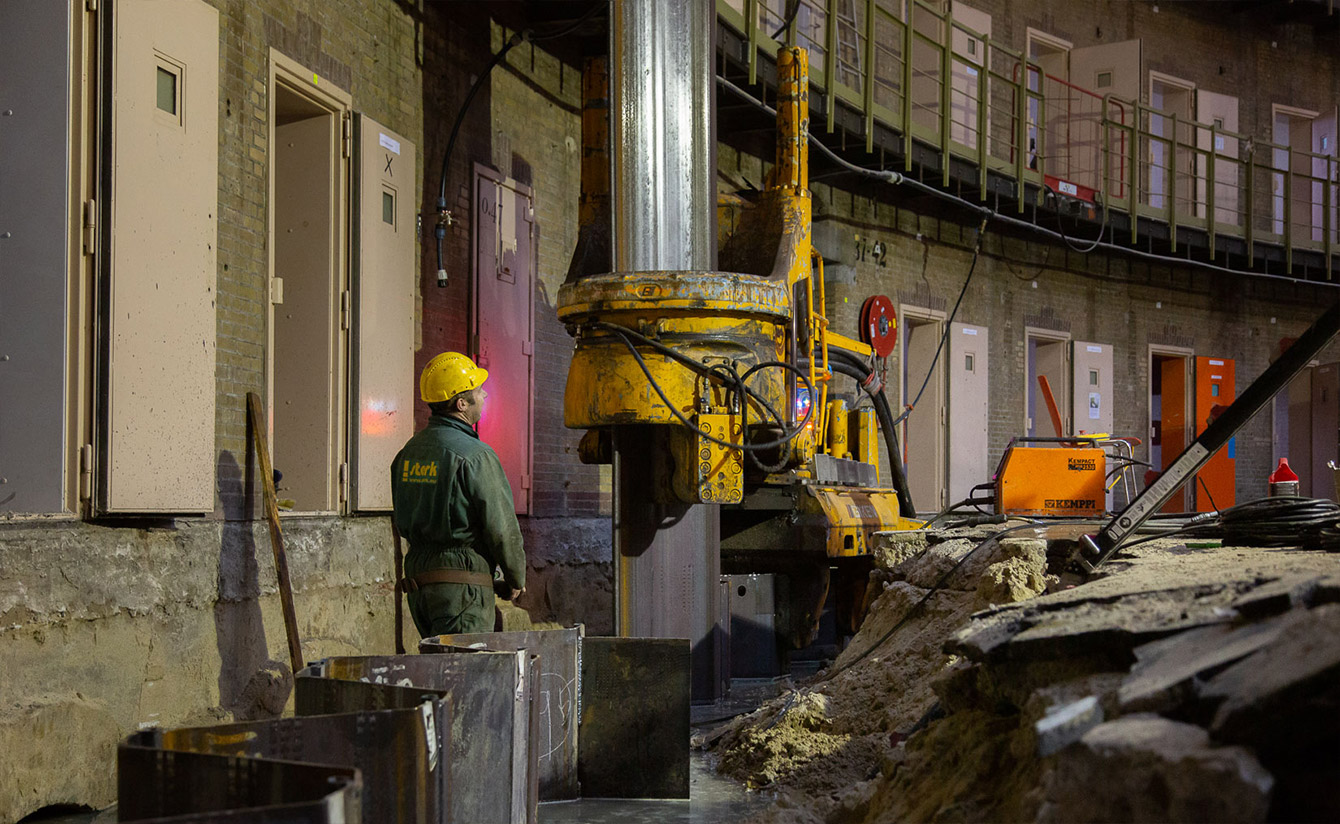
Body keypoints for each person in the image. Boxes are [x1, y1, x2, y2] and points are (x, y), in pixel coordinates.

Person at [391, 351, 526, 637]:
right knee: (466, 672)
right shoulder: (476, 455)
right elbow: (501, 527)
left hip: (419, 582)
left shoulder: (408, 453)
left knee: (437, 671)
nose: (485, 395)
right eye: (478, 390)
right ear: (461, 403)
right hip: (461, 584)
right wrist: (515, 576)